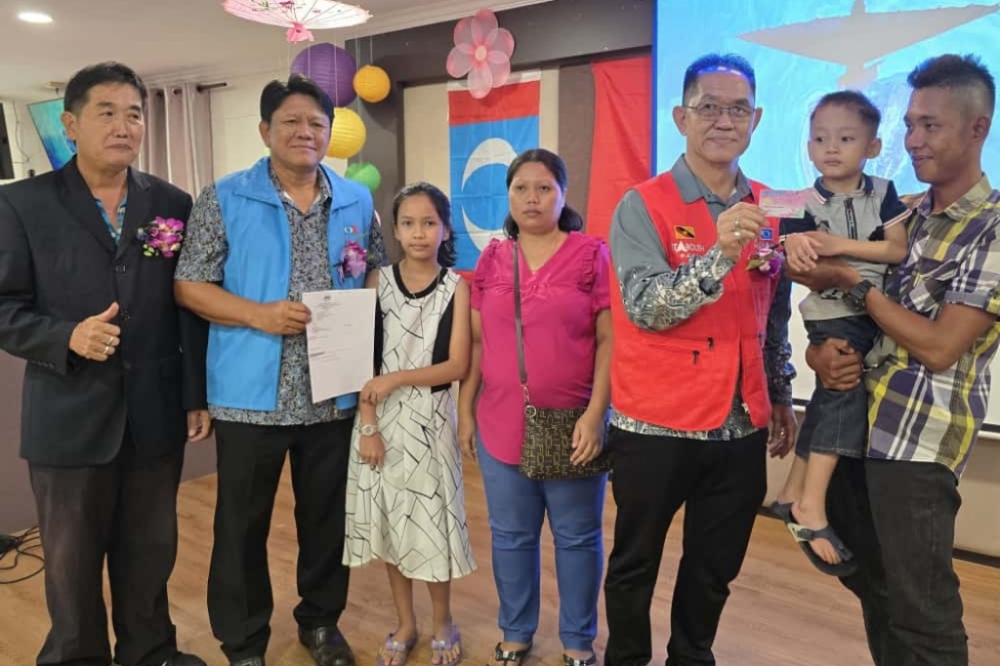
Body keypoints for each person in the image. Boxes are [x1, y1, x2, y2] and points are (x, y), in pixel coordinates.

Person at [0, 62, 210, 666]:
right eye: (107, 112)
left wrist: (193, 393)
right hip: (68, 420)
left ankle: (150, 652)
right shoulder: (22, 205)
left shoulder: (170, 202)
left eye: (135, 113)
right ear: (70, 123)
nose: (124, 125)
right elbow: (5, 307)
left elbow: (187, 304)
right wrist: (67, 336)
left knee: (150, 551)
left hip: (154, 414)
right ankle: (75, 656)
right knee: (69, 563)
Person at [174, 75, 385, 666]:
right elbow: (189, 284)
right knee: (241, 527)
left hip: (333, 394)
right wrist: (257, 315)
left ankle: (320, 623)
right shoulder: (224, 197)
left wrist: (358, 312)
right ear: (266, 130)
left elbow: (374, 268)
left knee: (326, 522)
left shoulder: (354, 198)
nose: (305, 132)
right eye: (291, 121)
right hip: (250, 394)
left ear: (329, 134)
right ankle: (243, 642)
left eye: (316, 123)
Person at [797, 54, 999, 666]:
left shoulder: (992, 228)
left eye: (931, 125)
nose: (913, 140)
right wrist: (820, 352)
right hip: (859, 432)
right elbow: (844, 318)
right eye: (909, 124)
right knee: (878, 596)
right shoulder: (903, 215)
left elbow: (939, 346)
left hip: (916, 446)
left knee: (923, 613)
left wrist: (854, 285)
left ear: (977, 128)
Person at [603, 53, 797, 666]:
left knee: (714, 570)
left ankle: (693, 655)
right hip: (654, 425)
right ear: (681, 116)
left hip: (740, 423)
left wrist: (783, 392)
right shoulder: (642, 204)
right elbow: (644, 308)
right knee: (635, 566)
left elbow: (772, 315)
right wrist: (719, 253)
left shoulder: (772, 207)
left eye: (737, 108)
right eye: (708, 107)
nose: (723, 119)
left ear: (757, 119)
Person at [457, 148, 611, 666]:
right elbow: (477, 345)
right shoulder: (493, 259)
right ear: (508, 196)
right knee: (511, 536)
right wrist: (465, 411)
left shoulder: (592, 254)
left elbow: (611, 342)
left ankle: (577, 641)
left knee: (577, 537)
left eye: (544, 187)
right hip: (501, 422)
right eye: (521, 187)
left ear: (563, 194)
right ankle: (516, 630)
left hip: (574, 424)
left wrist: (596, 414)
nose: (531, 197)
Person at [771, 90, 909, 573]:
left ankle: (792, 491)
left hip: (871, 306)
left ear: (872, 146)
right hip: (831, 312)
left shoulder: (885, 191)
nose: (831, 148)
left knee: (833, 397)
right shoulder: (801, 203)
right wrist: (800, 250)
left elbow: (896, 250)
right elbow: (793, 265)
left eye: (846, 138)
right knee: (844, 392)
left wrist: (838, 246)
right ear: (808, 147)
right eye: (820, 138)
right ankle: (810, 505)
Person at [343, 182, 475, 666]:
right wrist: (370, 424)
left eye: (429, 223)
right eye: (408, 223)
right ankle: (406, 621)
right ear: (394, 230)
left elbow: (457, 364)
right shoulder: (376, 281)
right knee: (392, 531)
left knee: (431, 530)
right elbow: (361, 359)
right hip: (380, 422)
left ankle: (442, 620)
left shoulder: (457, 287)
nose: (418, 233)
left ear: (444, 228)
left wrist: (396, 378)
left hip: (430, 424)